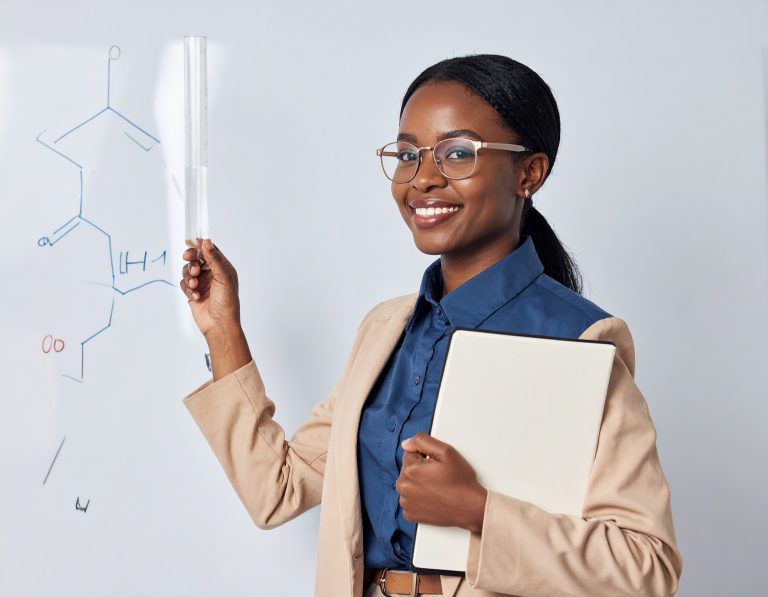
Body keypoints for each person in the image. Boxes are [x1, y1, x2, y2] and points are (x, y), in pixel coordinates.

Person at [179, 54, 682, 597]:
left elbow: (645, 567)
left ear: (529, 173)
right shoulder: (385, 330)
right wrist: (222, 330)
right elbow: (275, 490)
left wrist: (480, 510)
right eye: (407, 154)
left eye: (458, 153)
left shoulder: (579, 340)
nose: (422, 179)